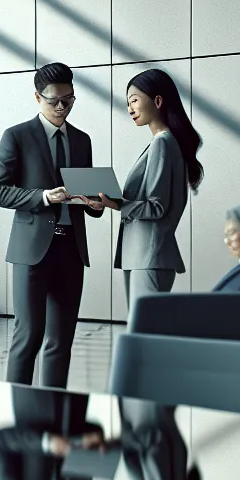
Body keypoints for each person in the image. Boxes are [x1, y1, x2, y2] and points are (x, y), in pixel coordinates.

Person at [0, 62, 104, 388]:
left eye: (68, 99)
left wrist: (95, 204)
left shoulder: (82, 140)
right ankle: (17, 413)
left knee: (61, 340)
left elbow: (88, 196)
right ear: (37, 97)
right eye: (54, 100)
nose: (61, 107)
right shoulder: (17, 136)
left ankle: (53, 411)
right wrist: (42, 197)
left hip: (71, 248)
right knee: (28, 336)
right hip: (32, 250)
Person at [99, 68, 203, 308]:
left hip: (149, 256)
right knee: (143, 332)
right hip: (143, 256)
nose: (129, 109)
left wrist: (115, 204)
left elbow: (156, 207)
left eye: (134, 100)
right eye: (127, 103)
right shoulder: (164, 143)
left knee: (145, 333)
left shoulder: (162, 144)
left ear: (157, 101)